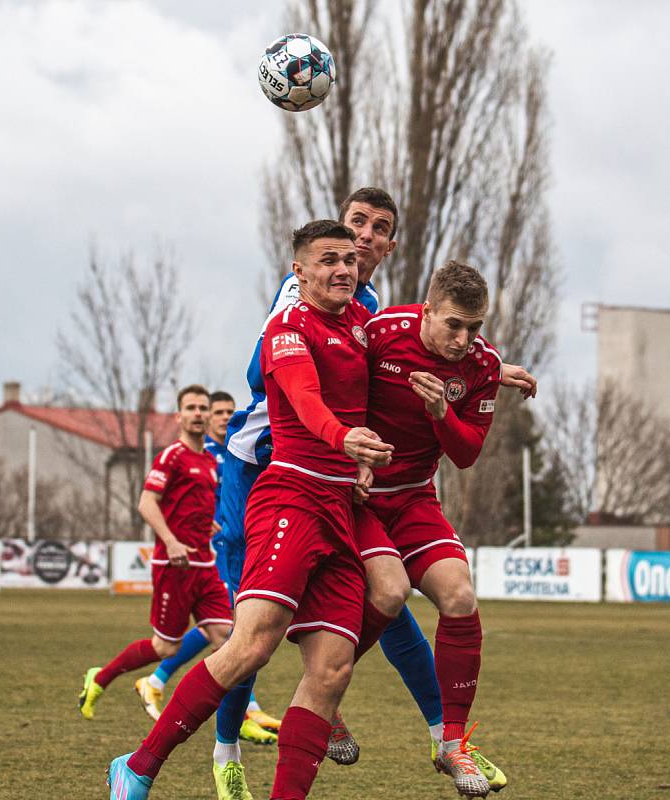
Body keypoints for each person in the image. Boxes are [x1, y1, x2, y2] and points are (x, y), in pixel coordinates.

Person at [214, 187, 534, 796]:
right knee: (252, 632)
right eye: (355, 222)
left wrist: (487, 366)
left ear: (389, 245)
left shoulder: (369, 309)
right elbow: (267, 372)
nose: (362, 236)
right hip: (264, 468)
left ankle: (446, 738)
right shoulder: (315, 297)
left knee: (414, 604)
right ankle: (228, 748)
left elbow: (446, 359)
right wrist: (336, 432)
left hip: (370, 483)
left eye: (377, 228)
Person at [106, 220, 394, 800]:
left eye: (349, 259)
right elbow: (306, 401)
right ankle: (137, 768)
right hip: (289, 496)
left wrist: (485, 368)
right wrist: (345, 441)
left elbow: (415, 354)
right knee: (251, 644)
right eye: (328, 259)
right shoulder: (288, 327)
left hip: (340, 507)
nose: (343, 267)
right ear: (300, 273)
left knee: (332, 670)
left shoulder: (365, 325)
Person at [354, 260, 506, 798]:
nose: (465, 339)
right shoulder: (380, 334)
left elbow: (466, 455)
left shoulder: (482, 366)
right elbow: (335, 388)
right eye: (453, 325)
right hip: (360, 499)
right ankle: (319, 697)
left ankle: (454, 744)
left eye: (475, 327)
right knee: (389, 594)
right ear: (425, 311)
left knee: (460, 596)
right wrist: (352, 456)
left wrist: (442, 411)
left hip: (415, 497)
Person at [78, 385, 233, 720]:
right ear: (179, 416)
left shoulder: (208, 461)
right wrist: (171, 540)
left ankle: (215, 713)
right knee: (167, 647)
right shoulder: (172, 456)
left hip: (204, 564)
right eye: (191, 407)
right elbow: (146, 503)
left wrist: (208, 527)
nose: (198, 413)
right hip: (173, 565)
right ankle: (100, 678)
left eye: (202, 408)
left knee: (228, 639)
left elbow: (190, 507)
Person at [134, 391, 281, 746]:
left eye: (227, 412)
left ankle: (242, 706)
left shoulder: (227, 454)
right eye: (216, 412)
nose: (219, 418)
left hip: (227, 550)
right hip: (211, 554)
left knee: (228, 629)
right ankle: (161, 681)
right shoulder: (207, 455)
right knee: (231, 629)